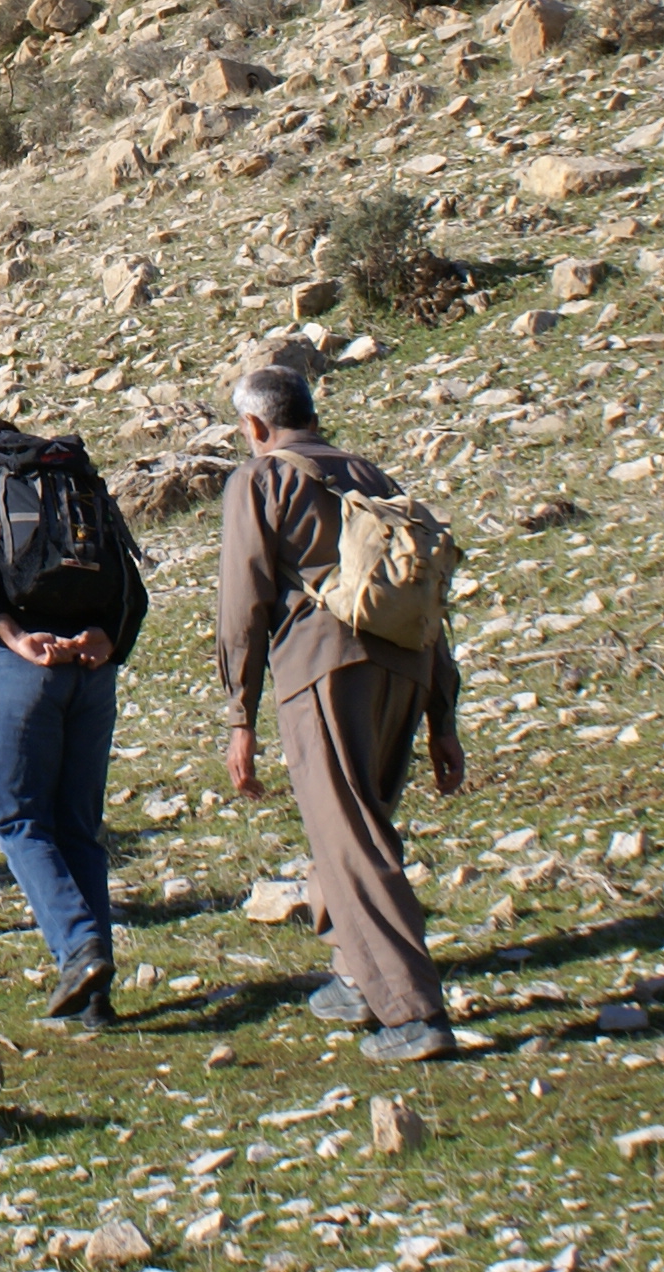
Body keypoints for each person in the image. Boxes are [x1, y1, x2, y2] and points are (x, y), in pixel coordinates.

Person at [216, 364, 468, 1065]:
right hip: (406, 669)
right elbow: (425, 594)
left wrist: (241, 713)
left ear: (256, 426)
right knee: (360, 823)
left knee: (351, 838)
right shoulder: (371, 475)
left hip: (324, 672)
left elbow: (244, 603)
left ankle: (412, 1012)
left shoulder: (261, 479)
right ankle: (357, 976)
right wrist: (442, 713)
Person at [0, 425, 148, 1026]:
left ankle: (79, 948)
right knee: (79, 826)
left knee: (21, 818)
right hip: (92, 671)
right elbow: (130, 580)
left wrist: (17, 638)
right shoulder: (79, 489)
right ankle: (94, 1000)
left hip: (25, 669)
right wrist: (109, 639)